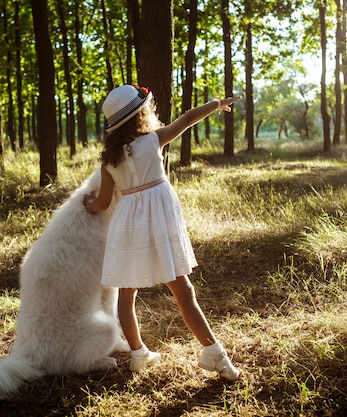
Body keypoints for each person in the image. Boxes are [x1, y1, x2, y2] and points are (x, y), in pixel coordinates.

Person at [83, 84, 242, 381]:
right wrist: (216, 104)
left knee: (126, 295)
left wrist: (89, 204)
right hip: (157, 223)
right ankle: (214, 352)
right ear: (139, 114)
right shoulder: (152, 140)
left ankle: (138, 353)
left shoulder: (108, 160)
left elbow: (104, 202)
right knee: (183, 291)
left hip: (128, 226)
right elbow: (186, 119)